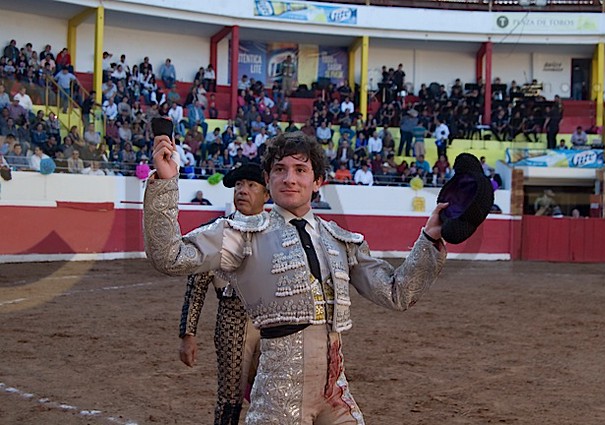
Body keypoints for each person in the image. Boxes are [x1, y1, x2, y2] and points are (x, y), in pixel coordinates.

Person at [144, 130, 447, 424]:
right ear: (268, 178)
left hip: (335, 390)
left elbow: (397, 293)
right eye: (280, 169)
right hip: (279, 393)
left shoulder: (340, 240)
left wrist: (429, 240)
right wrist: (166, 182)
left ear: (317, 182)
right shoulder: (242, 234)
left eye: (300, 170)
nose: (289, 178)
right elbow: (169, 256)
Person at [180, 163, 269, 425]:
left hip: (272, 321)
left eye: (251, 185)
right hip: (231, 320)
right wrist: (188, 334)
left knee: (274, 395)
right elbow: (196, 286)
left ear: (266, 195)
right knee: (230, 398)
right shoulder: (216, 232)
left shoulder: (279, 232)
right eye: (239, 185)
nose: (242, 190)